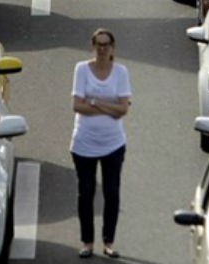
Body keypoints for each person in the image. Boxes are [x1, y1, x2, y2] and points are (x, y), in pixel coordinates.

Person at [71, 28, 132, 260]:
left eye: (106, 45)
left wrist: (95, 102)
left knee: (112, 193)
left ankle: (109, 241)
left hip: (113, 144)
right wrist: (109, 105)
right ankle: (87, 241)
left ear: (112, 48)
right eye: (98, 44)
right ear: (92, 47)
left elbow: (122, 110)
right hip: (84, 143)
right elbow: (78, 105)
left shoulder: (120, 72)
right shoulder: (82, 70)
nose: (102, 49)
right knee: (85, 193)